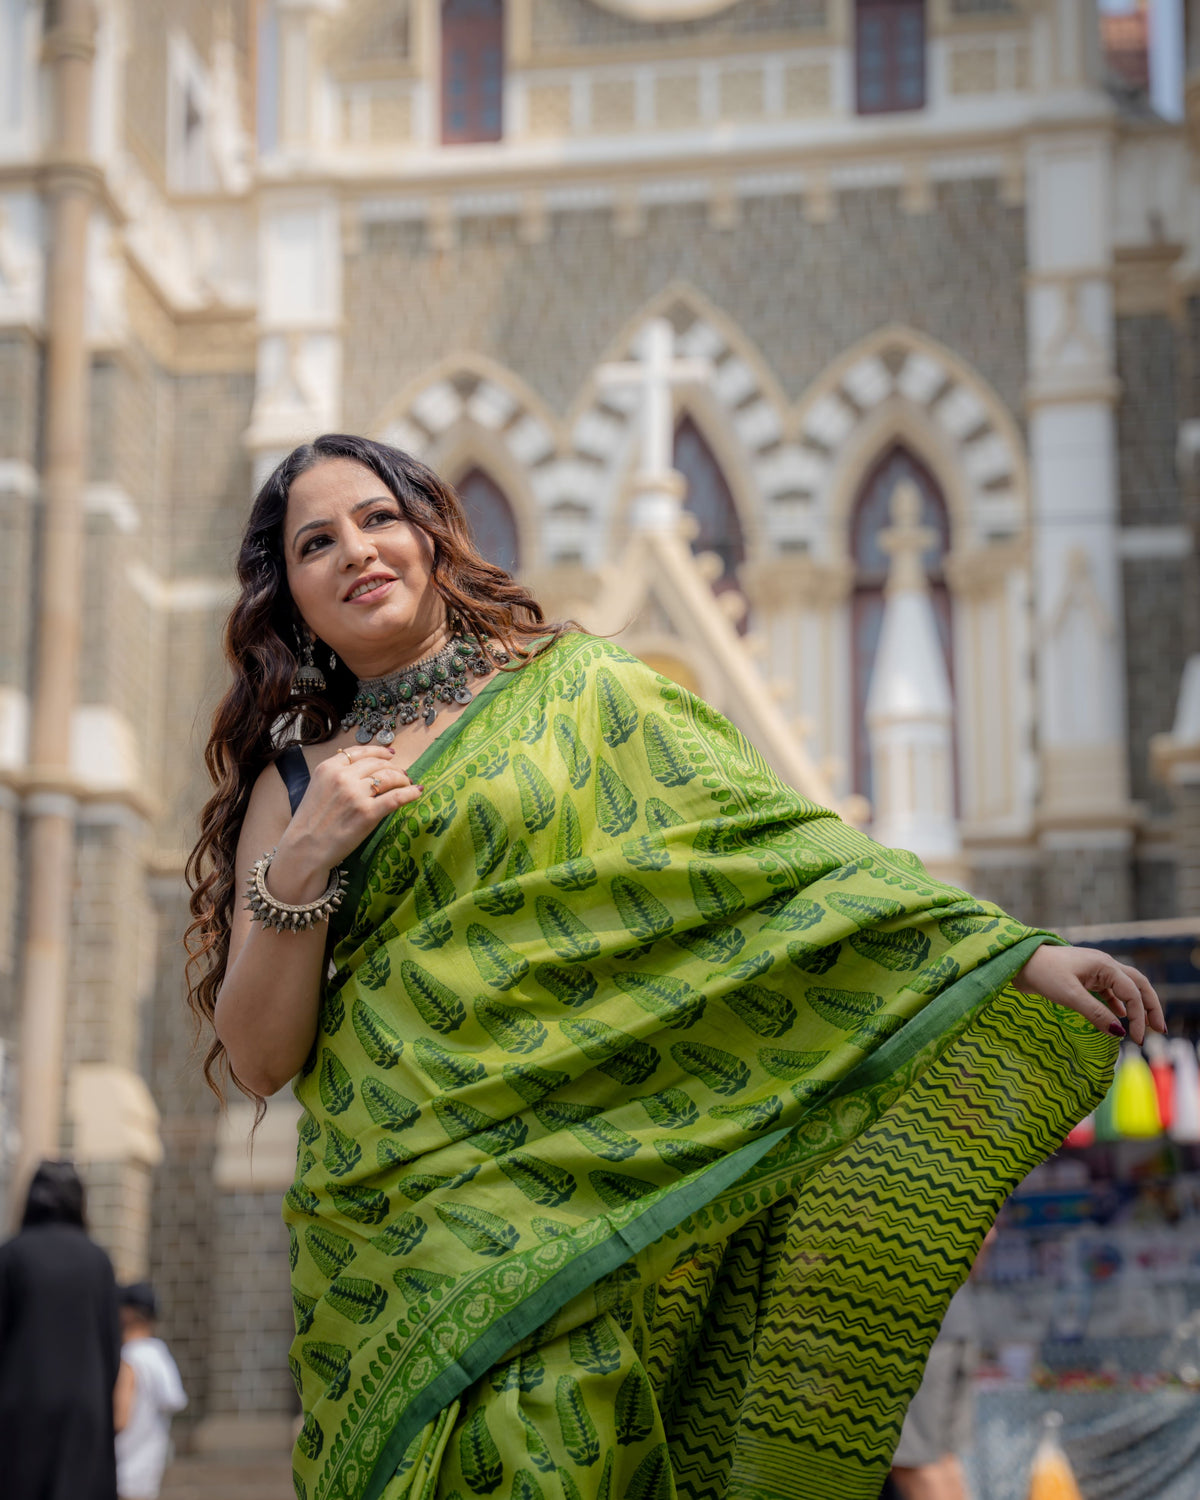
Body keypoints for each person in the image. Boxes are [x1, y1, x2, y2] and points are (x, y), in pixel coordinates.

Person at [185, 433, 1164, 1500]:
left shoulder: (586, 690)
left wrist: (1007, 953)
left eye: (378, 517)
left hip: (586, 1193)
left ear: (432, 535)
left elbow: (776, 854)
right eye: (316, 542)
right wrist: (304, 858)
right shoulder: (293, 786)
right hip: (389, 1226)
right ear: (289, 595)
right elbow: (260, 1057)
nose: (356, 550)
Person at [0, 1159, 123, 1500]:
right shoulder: (97, 1260)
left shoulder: (11, 1255)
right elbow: (111, 1345)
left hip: (20, 1405)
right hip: (84, 1407)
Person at [114, 1282, 187, 1500]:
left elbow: (119, 1420)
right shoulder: (160, 1355)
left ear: (127, 1313)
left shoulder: (128, 1359)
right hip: (148, 1474)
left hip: (120, 1474)